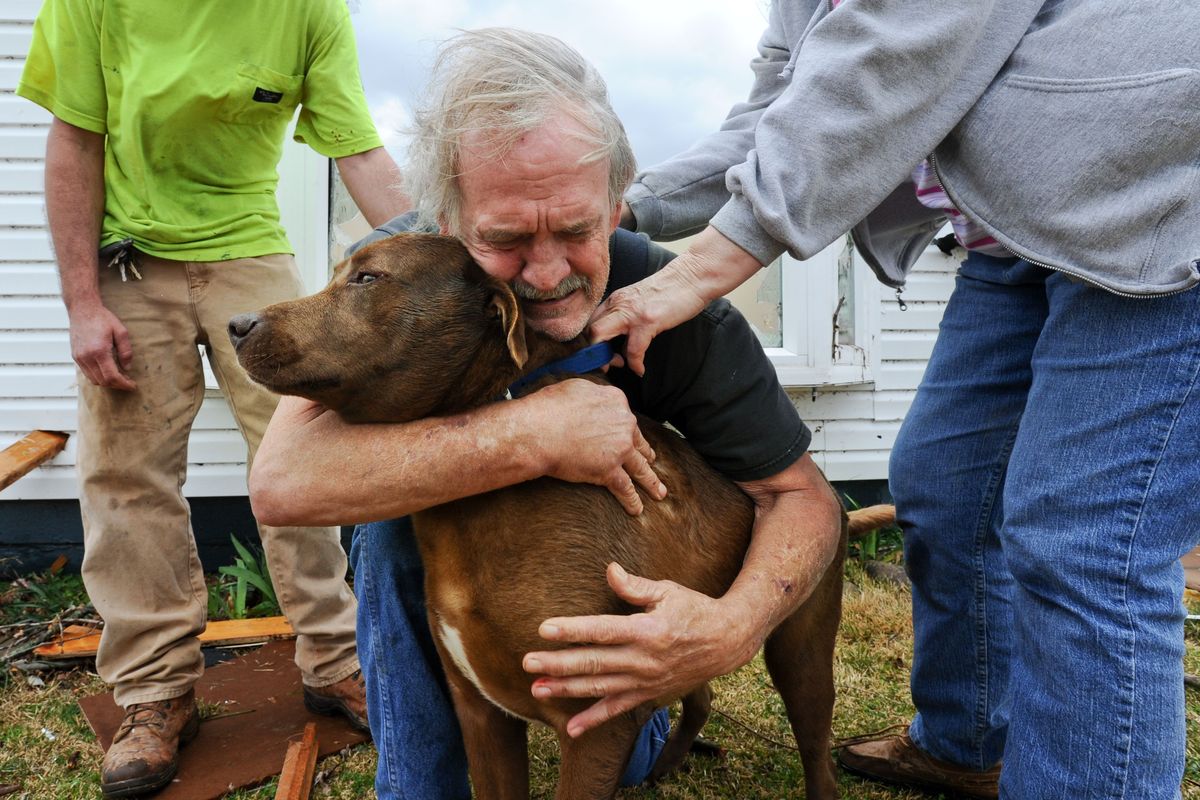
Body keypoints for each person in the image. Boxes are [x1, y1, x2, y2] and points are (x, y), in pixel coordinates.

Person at [589, 1, 1200, 798]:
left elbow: (902, 50)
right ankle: (966, 741)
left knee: (1085, 542)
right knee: (947, 488)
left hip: (1155, 203)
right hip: (1016, 236)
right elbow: (787, 109)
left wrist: (701, 267)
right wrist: (616, 211)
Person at [248, 27, 844, 799]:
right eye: (505, 239)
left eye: (574, 229)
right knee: (387, 527)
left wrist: (731, 627)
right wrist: (533, 435)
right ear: (448, 221)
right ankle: (422, 784)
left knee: (609, 753)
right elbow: (284, 483)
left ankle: (649, 713)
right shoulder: (403, 275)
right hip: (461, 562)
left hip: (599, 587)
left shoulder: (679, 310)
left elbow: (802, 496)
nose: (549, 271)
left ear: (615, 204)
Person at [17, 0, 410, 795]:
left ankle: (335, 663)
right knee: (128, 479)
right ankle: (156, 693)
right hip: (130, 256)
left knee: (305, 457)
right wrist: (81, 304)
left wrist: (438, 250)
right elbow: (74, 143)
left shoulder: (309, 10)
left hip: (249, 246)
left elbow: (358, 153)